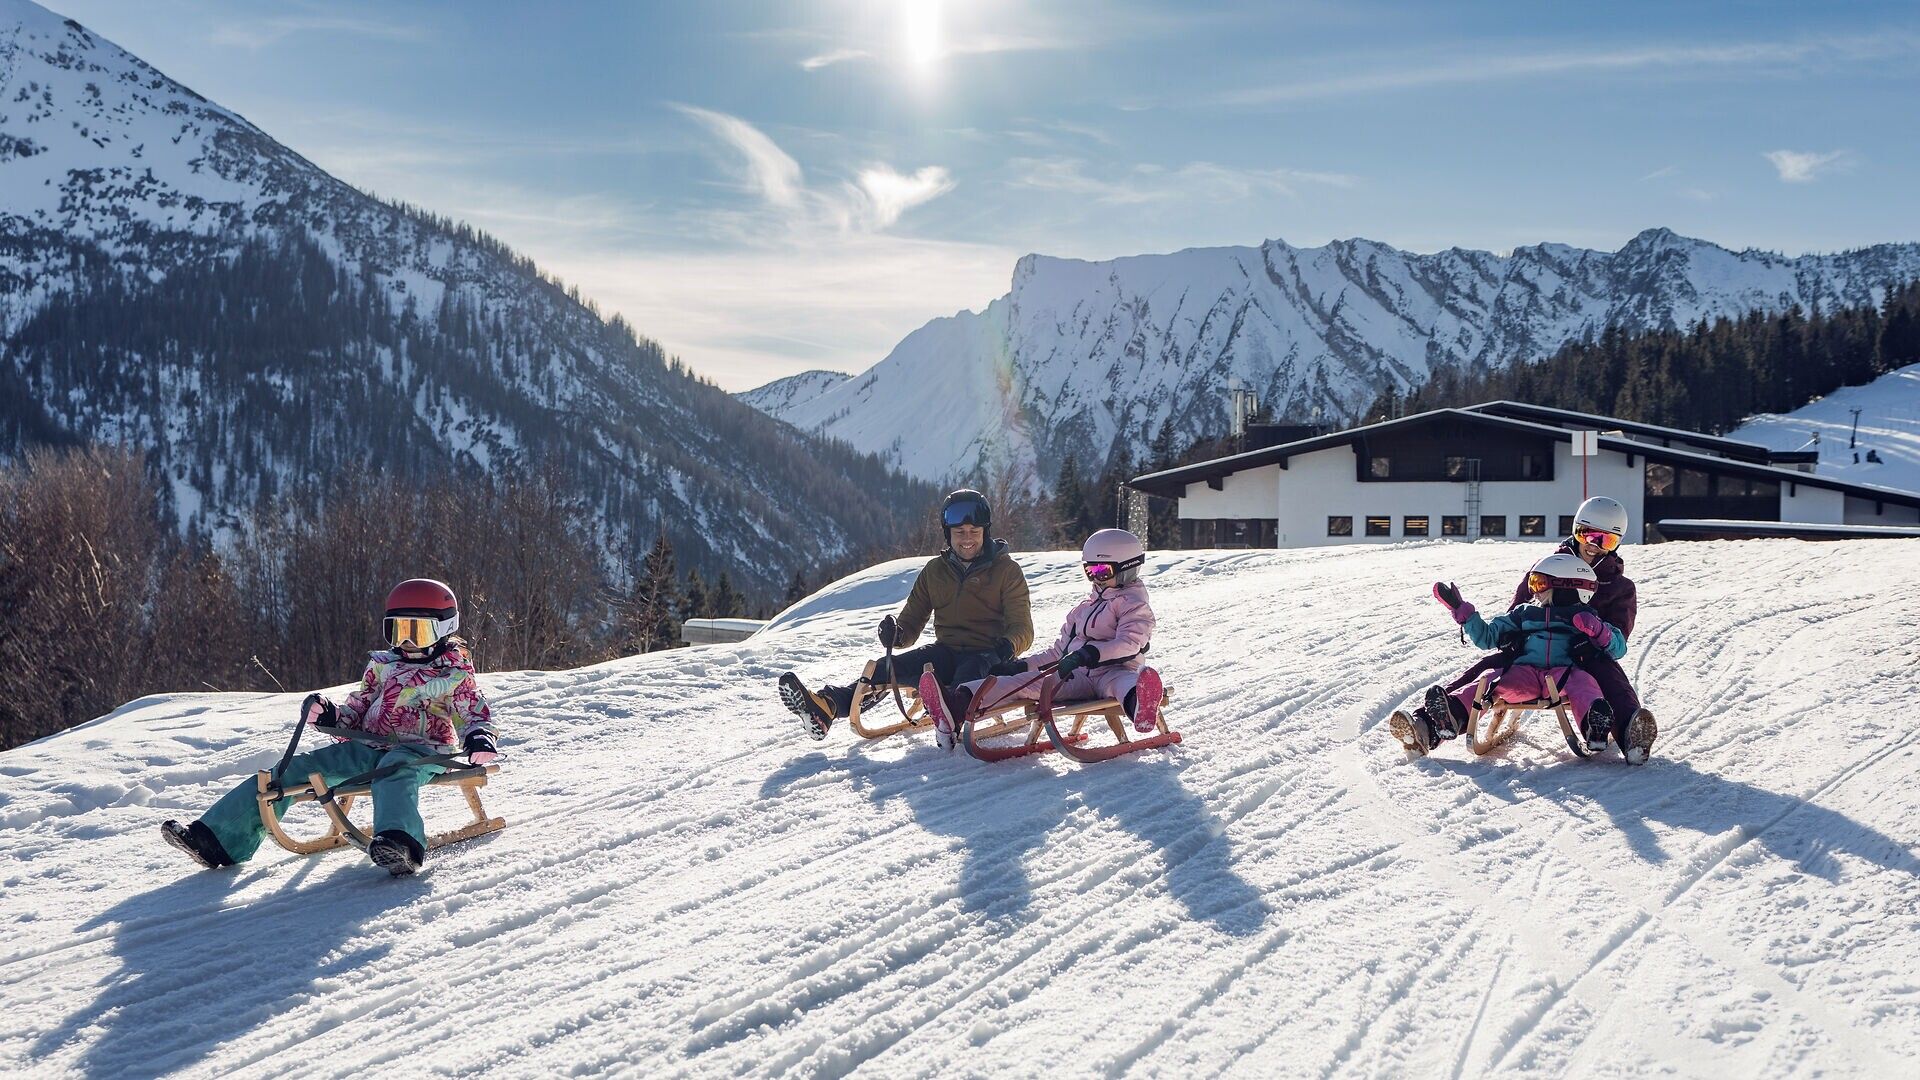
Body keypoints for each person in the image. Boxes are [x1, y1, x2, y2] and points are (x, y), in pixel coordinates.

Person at [161, 579, 498, 876]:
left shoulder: (453, 674)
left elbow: (474, 712)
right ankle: (217, 839)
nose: (407, 642)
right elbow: (358, 710)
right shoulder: (382, 667)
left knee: (395, 772)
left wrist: (479, 737)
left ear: (444, 629)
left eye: (418, 632)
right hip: (369, 745)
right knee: (299, 769)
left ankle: (400, 843)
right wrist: (329, 715)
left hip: (422, 751)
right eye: (398, 631)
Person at [778, 489, 1034, 741]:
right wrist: (897, 634)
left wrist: (1006, 648)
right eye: (959, 532)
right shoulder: (935, 571)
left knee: (965, 680)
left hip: (987, 655)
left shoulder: (1006, 571)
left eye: (974, 532)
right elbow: (912, 621)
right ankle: (828, 705)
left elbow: (1023, 628)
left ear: (985, 532)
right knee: (886, 667)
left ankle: (949, 715)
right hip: (946, 652)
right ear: (948, 534)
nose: (967, 538)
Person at [1442, 495, 1653, 759]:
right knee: (1488, 669)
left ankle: (1631, 735)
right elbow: (1518, 609)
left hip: (1587, 656)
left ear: (1616, 543)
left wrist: (1596, 635)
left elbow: (1618, 640)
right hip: (1531, 651)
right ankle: (1436, 719)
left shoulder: (1619, 587)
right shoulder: (1547, 568)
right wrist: (1511, 636)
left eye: (1605, 540)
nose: (1593, 545)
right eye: (1586, 534)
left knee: (1607, 676)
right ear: (1575, 531)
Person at [919, 528, 1163, 750]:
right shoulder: (1083, 608)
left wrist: (1088, 654)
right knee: (1019, 683)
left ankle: (1142, 706)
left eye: (1102, 571)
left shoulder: (1134, 605)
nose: (1095, 577)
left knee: (1125, 684)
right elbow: (1058, 652)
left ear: (1127, 568)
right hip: (1077, 676)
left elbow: (1131, 643)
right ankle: (955, 705)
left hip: (1116, 671)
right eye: (1089, 570)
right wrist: (1020, 666)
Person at [1400, 553, 1631, 756]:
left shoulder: (1587, 617)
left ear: (1567, 587)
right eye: (1533, 582)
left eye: (1540, 583)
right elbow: (1488, 637)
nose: (1533, 590)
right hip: (1525, 674)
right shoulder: (1524, 613)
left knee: (1585, 683)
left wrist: (1599, 631)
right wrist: (1463, 611)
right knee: (1489, 680)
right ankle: (1452, 714)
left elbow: (1618, 648)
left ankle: (1594, 726)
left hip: (1564, 674)